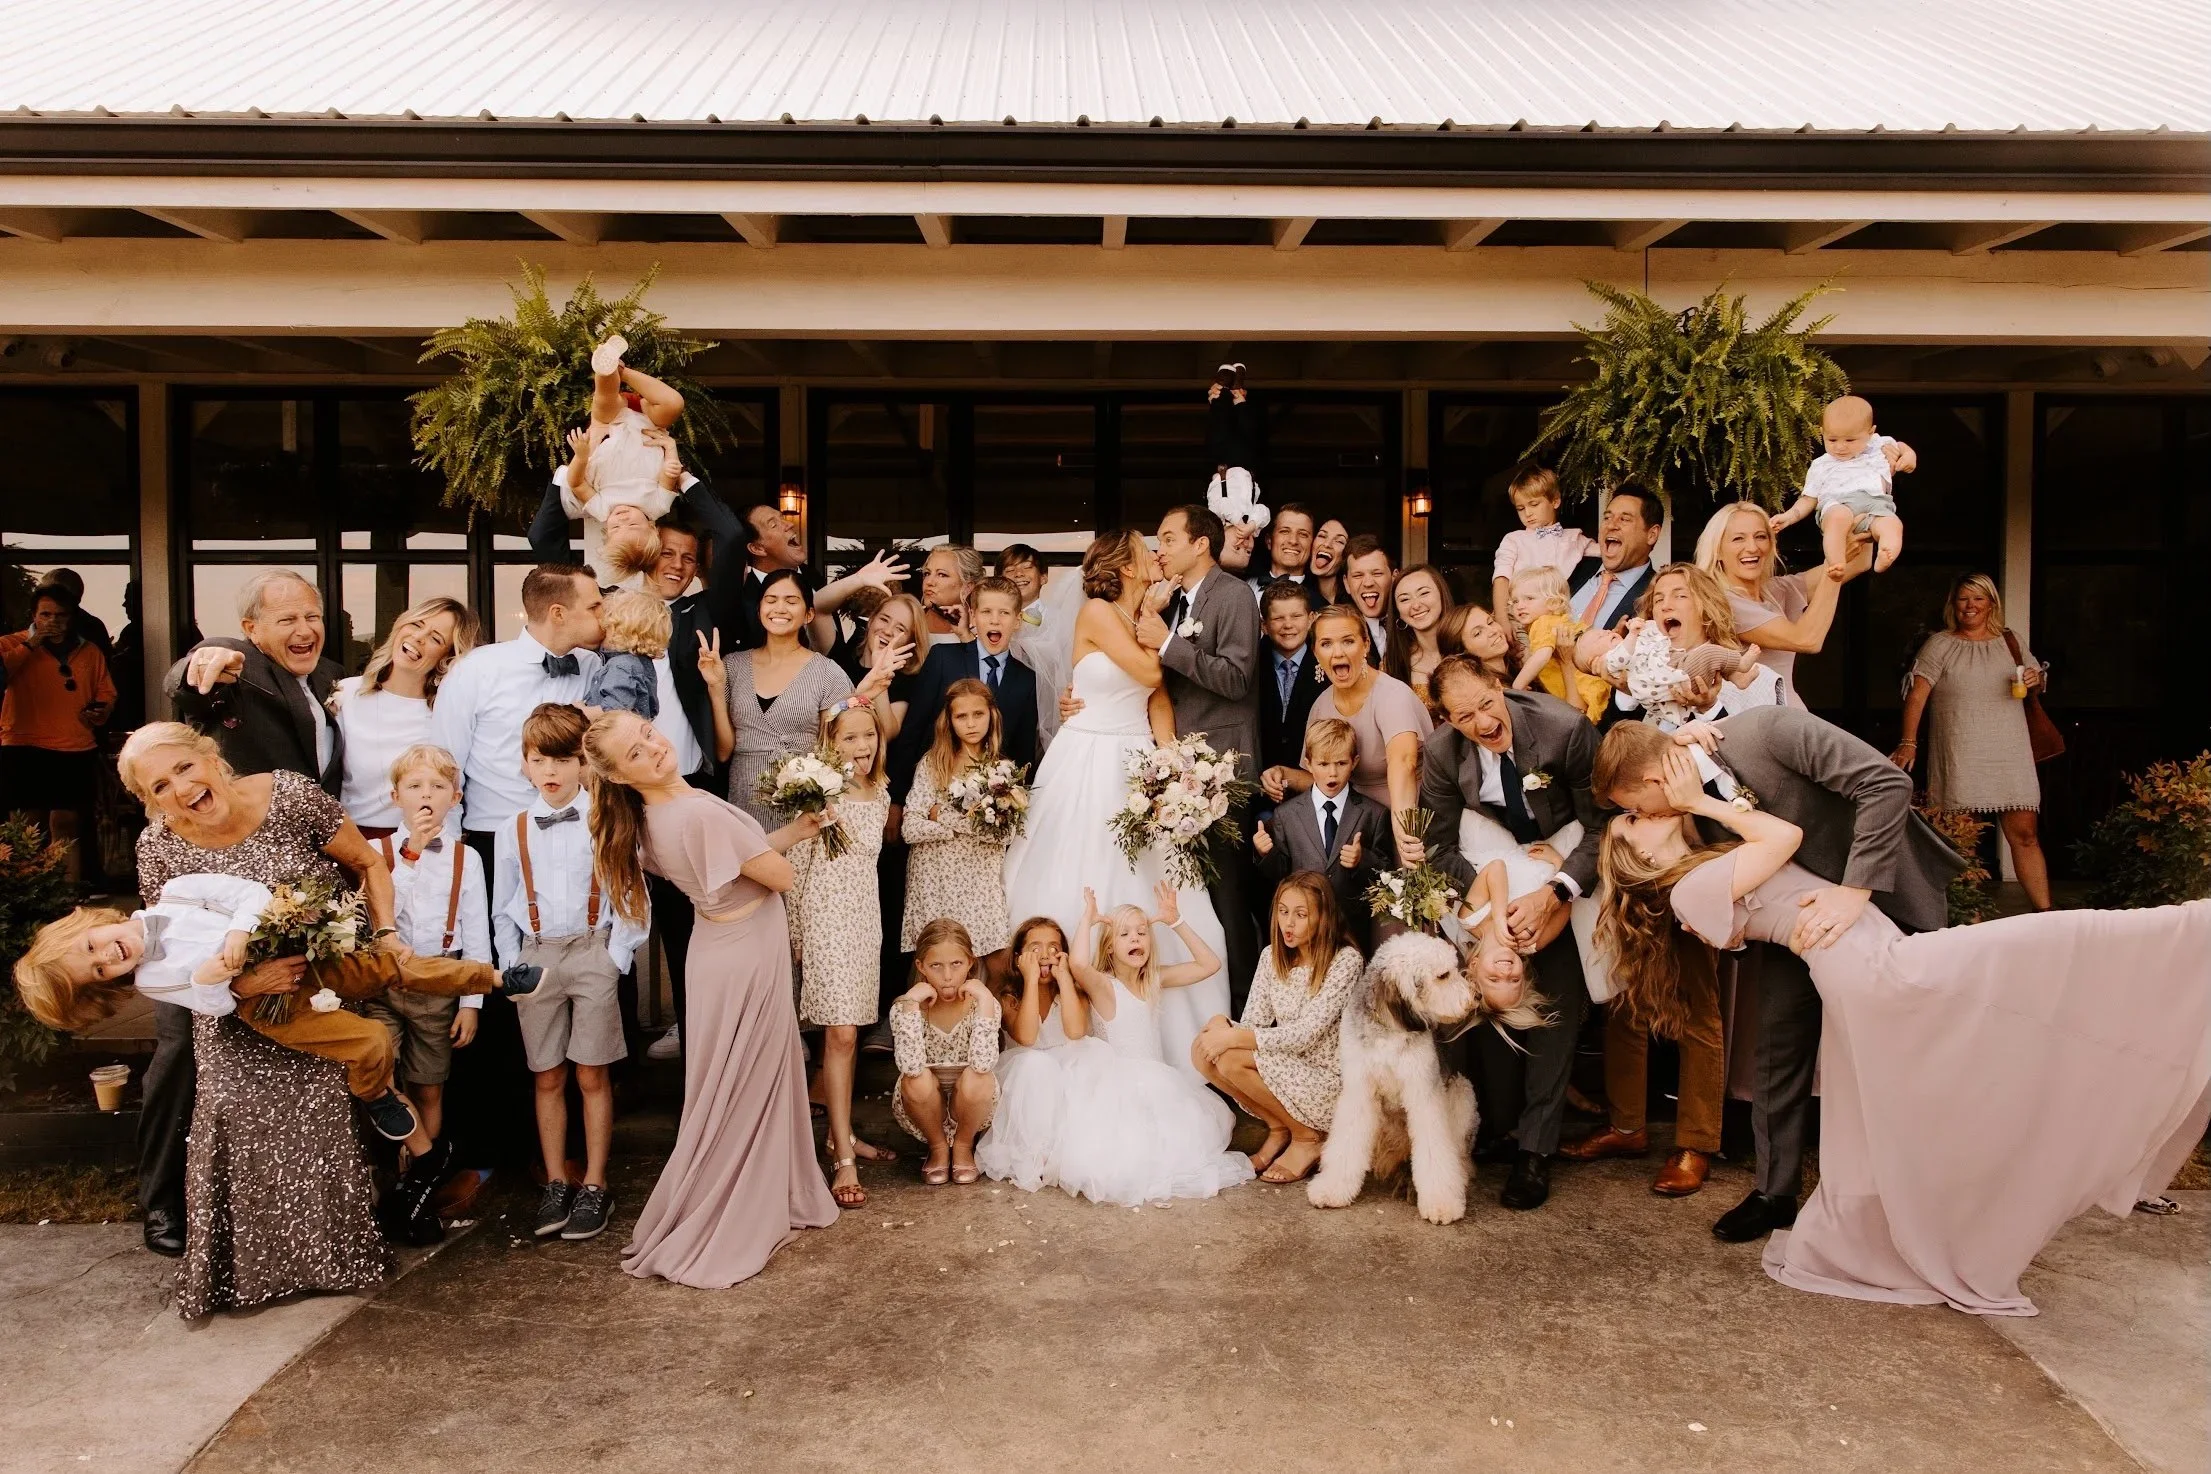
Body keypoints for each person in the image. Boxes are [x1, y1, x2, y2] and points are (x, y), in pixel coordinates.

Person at [1599, 742, 2208, 1315]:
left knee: (1911, 1098)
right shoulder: (1687, 891)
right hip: (1873, 971)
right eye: (1632, 820)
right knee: (2052, 945)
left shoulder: (1708, 864)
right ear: (1642, 860)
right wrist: (1697, 800)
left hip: (1872, 960)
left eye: (1634, 807)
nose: (1643, 811)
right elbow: (1784, 834)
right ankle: (2189, 937)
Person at [1596, 711, 1965, 1242]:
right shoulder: (1693, 810)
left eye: (1634, 807)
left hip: (1881, 894)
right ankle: (1775, 1192)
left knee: (1907, 1054)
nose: (1639, 815)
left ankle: (1933, 1181)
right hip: (1797, 928)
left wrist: (1854, 890)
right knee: (1776, 1048)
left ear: (1655, 782)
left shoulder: (1768, 732)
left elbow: (1887, 782)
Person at [116, 723, 409, 1308]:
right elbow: (169, 948)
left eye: (184, 767)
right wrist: (245, 980)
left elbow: (369, 865)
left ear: (210, 756)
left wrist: (384, 934)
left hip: (316, 984)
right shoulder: (159, 847)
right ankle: (242, 1271)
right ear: (150, 801)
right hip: (230, 1008)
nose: (181, 787)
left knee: (320, 1106)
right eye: (160, 785)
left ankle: (332, 1260)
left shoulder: (291, 796)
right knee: (230, 1107)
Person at [582, 710, 840, 1288]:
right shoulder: (695, 809)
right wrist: (789, 851)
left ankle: (763, 1190)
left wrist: (793, 832)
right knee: (748, 1083)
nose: (652, 746)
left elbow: (734, 862)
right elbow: (777, 877)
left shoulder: (654, 817)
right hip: (745, 951)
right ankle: (734, 1206)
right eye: (635, 752)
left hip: (719, 944)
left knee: (733, 1080)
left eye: (646, 733)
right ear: (621, 776)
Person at [15, 866, 528, 1147]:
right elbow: (210, 1007)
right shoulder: (154, 979)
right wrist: (221, 982)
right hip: (268, 1005)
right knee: (371, 1041)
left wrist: (241, 930)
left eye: (92, 948)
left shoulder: (176, 894)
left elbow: (248, 892)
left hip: (296, 954)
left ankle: (498, 978)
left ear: (88, 921)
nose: (108, 957)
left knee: (391, 967)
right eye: (100, 972)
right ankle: (376, 1096)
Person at [1006, 529, 1234, 1085]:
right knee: (1077, 875)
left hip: (1137, 763)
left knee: (1158, 885)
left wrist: (1174, 768)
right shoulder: (1101, 612)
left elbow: (1157, 699)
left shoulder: (1144, 616)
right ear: (1123, 566)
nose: (1156, 555)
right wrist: (1154, 630)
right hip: (1087, 758)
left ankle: (1181, 1049)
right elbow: (1153, 672)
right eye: (1144, 550)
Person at [427, 565, 604, 1163]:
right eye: (594, 607)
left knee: (578, 994)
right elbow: (446, 764)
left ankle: (570, 1155)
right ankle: (487, 1155)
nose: (602, 618)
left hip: (577, 842)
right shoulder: (479, 671)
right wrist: (452, 862)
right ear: (559, 613)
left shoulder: (593, 669)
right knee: (498, 995)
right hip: (491, 843)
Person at [1417, 657, 1603, 1210]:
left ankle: (1537, 1151)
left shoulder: (1564, 729)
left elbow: (1605, 824)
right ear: (1447, 719)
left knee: (1555, 1004)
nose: (1482, 721)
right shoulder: (1442, 753)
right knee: (1489, 994)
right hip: (1489, 868)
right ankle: (1499, 1128)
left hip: (1565, 858)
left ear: (1501, 686)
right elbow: (1439, 846)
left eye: (1487, 704)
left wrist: (1556, 887)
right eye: (1464, 716)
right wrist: (1489, 905)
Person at [493, 704, 650, 1243]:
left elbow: (632, 893)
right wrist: (510, 962)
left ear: (583, 762)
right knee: (548, 1074)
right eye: (539, 760)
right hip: (536, 955)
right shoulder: (511, 828)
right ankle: (557, 1181)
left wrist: (615, 957)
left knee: (591, 1073)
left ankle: (595, 1184)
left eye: (563, 759)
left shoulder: (606, 817)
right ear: (525, 765)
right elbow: (502, 905)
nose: (551, 771)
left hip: (592, 952)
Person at [1046, 883, 1254, 1205]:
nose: (1136, 939)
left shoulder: (1154, 978)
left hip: (1159, 1086)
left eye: (1142, 932)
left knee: (1173, 1149)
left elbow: (1209, 965)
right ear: (1110, 947)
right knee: (1129, 1156)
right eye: (1125, 934)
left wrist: (1176, 921)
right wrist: (1088, 919)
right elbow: (1078, 965)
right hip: (1118, 1091)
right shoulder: (1105, 986)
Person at [1137, 504, 1263, 1008]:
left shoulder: (1232, 595)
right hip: (1178, 771)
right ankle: (1199, 1010)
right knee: (1191, 899)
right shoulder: (1173, 601)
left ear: (1200, 544)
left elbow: (1236, 678)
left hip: (1223, 770)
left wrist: (1168, 643)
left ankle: (1242, 1011)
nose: (1160, 550)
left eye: (1168, 539)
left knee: (1229, 901)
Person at [361, 743, 497, 1149]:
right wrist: (411, 854)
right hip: (383, 982)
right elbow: (379, 916)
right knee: (378, 1080)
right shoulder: (375, 853)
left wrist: (472, 1004)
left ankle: (425, 1173)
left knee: (429, 1086)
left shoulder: (466, 858)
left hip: (438, 984)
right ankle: (395, 1164)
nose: (425, 795)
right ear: (395, 796)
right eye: (415, 785)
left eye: (437, 786)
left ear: (454, 798)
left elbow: (476, 935)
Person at [1892, 573, 2053, 911]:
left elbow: (2033, 680)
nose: (1970, 606)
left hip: (2010, 751)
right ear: (1953, 604)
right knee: (1960, 842)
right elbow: (1917, 696)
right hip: (1960, 751)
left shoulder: (2011, 641)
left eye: (1978, 598)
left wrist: (2036, 679)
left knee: (2025, 835)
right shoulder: (1940, 644)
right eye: (1963, 599)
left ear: (1991, 603)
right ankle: (1966, 915)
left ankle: (2047, 913)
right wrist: (1908, 742)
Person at [1191, 871, 1364, 1184]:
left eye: (1300, 915)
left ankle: (1308, 1138)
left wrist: (1232, 1035)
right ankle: (1281, 1127)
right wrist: (1223, 1025)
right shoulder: (1271, 956)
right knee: (1203, 1050)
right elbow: (1254, 1024)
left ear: (1322, 917)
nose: (1288, 924)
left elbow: (1304, 1035)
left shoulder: (1345, 961)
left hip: (1325, 1080)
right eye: (1283, 912)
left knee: (1229, 1054)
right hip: (1285, 1067)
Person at [789, 698, 893, 1207]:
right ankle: (842, 1158)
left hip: (863, 920)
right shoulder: (818, 792)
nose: (862, 747)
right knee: (842, 1034)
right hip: (825, 915)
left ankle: (840, 1133)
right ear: (831, 743)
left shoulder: (880, 791)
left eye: (868, 736)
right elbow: (799, 863)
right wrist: (795, 934)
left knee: (849, 1033)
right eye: (850, 738)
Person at [725, 569, 894, 828]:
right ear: (759, 609)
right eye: (771, 600)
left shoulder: (827, 672)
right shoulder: (732, 666)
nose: (780, 608)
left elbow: (837, 733)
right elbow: (722, 748)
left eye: (791, 601)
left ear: (809, 614)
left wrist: (861, 693)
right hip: (742, 802)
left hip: (803, 805)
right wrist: (715, 685)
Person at [1269, 607, 1430, 861]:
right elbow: (1323, 777)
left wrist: (1404, 834)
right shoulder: (1321, 706)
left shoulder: (1392, 695)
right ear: (1315, 653)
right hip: (1359, 824)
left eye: (1348, 641)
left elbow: (1404, 764)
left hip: (1413, 812)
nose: (1338, 652)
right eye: (1326, 644)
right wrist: (1284, 776)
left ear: (1365, 645)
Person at [168, 569, 345, 796]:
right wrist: (196, 669)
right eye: (287, 620)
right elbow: (187, 681)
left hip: (330, 823)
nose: (304, 630)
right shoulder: (237, 664)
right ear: (251, 629)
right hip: (253, 825)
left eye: (312, 617)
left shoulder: (331, 672)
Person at [332, 596, 479, 838]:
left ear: (446, 657)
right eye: (417, 624)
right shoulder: (346, 694)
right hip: (354, 844)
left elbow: (454, 792)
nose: (419, 637)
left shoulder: (445, 713)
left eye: (435, 638)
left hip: (423, 842)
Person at [2, 580, 116, 884]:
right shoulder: (10, 644)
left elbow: (107, 693)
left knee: (66, 821)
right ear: (33, 616)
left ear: (72, 617)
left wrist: (101, 711)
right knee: (25, 825)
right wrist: (32, 644)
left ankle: (67, 897)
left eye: (61, 616)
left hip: (74, 745)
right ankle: (24, 893)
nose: (53, 622)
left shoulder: (89, 651)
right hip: (23, 743)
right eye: (45, 615)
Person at [1695, 501, 1857, 710]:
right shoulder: (1723, 601)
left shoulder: (1776, 589)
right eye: (1738, 539)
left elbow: (1860, 561)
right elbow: (1807, 640)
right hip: (1753, 722)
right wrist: (1835, 570)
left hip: (1788, 713)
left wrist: (1863, 493)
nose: (1752, 547)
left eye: (1761, 536)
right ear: (1717, 550)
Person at [891, 575, 1036, 802]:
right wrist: (897, 800)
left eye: (1004, 613)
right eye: (986, 612)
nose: (995, 621)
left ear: (1017, 621)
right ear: (973, 616)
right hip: (934, 794)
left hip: (992, 806)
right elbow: (913, 730)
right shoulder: (942, 659)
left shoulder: (1026, 680)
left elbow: (1023, 751)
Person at [900, 680, 1015, 966]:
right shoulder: (934, 764)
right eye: (961, 716)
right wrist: (973, 825)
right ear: (949, 721)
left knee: (995, 964)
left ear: (992, 715)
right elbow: (910, 828)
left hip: (979, 882)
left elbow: (1003, 833)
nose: (971, 724)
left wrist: (941, 815)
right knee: (937, 963)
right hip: (936, 881)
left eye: (978, 714)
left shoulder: (1001, 769)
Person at [1252, 718, 1392, 944]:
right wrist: (1264, 853)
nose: (1333, 774)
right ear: (1308, 764)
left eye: (1341, 763)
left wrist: (1362, 859)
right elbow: (1279, 874)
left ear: (1354, 762)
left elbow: (1386, 873)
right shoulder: (1286, 815)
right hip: (1303, 932)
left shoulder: (1373, 813)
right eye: (1323, 764)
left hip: (1351, 930)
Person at [1593, 565, 1778, 730]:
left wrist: (1708, 708)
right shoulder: (1638, 670)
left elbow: (1748, 756)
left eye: (1680, 596)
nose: (1665, 606)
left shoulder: (1759, 678)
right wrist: (1627, 694)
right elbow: (1609, 749)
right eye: (1658, 600)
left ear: (1706, 608)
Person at [888, 919, 1003, 1185]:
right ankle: (938, 1148)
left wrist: (986, 999)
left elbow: (983, 1063)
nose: (948, 976)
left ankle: (963, 1146)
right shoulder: (906, 1007)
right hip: (925, 1106)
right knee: (915, 1080)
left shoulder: (983, 1005)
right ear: (921, 967)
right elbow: (910, 1066)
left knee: (979, 1076)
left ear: (971, 962)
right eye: (936, 966)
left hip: (972, 1105)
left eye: (956, 964)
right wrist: (911, 1004)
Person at [973, 916, 1083, 1192]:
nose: (1045, 954)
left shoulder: (1071, 991)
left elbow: (1075, 1031)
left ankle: (1066, 1153)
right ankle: (1038, 1151)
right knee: (1037, 1065)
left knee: (1083, 1068)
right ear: (1019, 956)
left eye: (1053, 947)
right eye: (1035, 948)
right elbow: (1027, 1037)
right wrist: (1031, 980)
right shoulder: (1009, 996)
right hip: (1025, 1074)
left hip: (1068, 1066)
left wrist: (1065, 979)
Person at [717, 498, 907, 653]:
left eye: (783, 518)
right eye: (774, 525)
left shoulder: (812, 576)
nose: (789, 524)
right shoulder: (742, 599)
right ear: (757, 548)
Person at [1769, 395, 1915, 574]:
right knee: (1836, 520)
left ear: (1870, 433)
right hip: (1838, 503)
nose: (1840, 447)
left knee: (1892, 524)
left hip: (1875, 502)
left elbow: (1901, 446)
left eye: (1849, 440)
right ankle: (1836, 562)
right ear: (1822, 433)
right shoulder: (1821, 465)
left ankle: (1886, 552)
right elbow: (1809, 499)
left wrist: (1909, 457)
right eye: (1832, 440)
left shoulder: (1880, 445)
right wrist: (1789, 516)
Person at [1489, 465, 1596, 616]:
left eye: (1534, 504)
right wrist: (1502, 618)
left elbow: (1608, 552)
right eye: (1520, 508)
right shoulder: (1514, 540)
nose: (1527, 513)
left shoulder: (1575, 538)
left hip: (1557, 617)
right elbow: (1501, 578)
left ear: (1555, 501)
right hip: (1518, 616)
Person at [1508, 567, 1611, 722]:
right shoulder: (1556, 620)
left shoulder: (1542, 622)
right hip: (1589, 684)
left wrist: (1518, 685)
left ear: (1553, 603)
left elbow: (1542, 655)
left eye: (1529, 598)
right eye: (1515, 601)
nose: (1520, 606)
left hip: (1580, 687)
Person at [1563, 485, 1663, 638]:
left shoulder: (1657, 593)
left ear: (1651, 534)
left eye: (1624, 519)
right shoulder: (1577, 566)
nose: (1611, 525)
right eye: (1607, 518)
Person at [1254, 580, 1325, 778]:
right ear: (1264, 625)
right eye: (1278, 618)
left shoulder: (1327, 663)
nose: (1288, 625)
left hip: (1313, 781)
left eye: (1296, 616)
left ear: (1311, 618)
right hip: (1260, 782)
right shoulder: (1251, 665)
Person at [581, 589, 670, 719]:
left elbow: (615, 709)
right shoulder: (640, 663)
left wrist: (580, 712)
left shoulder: (622, 665)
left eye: (607, 626)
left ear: (619, 631)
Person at [1383, 563, 1455, 697]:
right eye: (1405, 599)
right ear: (1397, 611)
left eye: (1424, 593)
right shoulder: (1392, 663)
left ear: (1441, 594)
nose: (1416, 605)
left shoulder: (1469, 646)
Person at [1251, 501, 1324, 608]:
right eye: (1285, 531)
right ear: (1269, 541)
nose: (1293, 541)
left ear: (1312, 545)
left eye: (1303, 534)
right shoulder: (1242, 585)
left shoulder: (1320, 606)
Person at [1340, 535, 1396, 668]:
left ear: (1394, 577)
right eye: (1358, 575)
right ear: (1347, 583)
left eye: (1377, 573)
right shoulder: (1339, 630)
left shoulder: (1413, 624)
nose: (1368, 583)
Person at [1439, 602, 1522, 689]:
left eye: (1490, 622)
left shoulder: (1520, 666)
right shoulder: (1486, 694)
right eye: (1478, 633)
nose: (1493, 631)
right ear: (1461, 651)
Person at [917, 544, 985, 641]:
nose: (929, 582)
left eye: (942, 574)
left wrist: (966, 637)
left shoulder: (986, 630)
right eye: (927, 573)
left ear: (968, 587)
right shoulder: (909, 621)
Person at [1308, 517, 1350, 607]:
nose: (1327, 544)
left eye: (1339, 541)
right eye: (1322, 536)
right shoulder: (1300, 595)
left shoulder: (1354, 601)